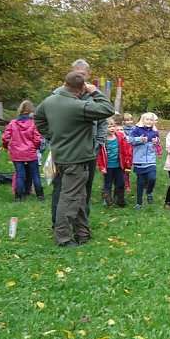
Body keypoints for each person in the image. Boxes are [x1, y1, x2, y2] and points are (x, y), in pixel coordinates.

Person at [35, 72, 115, 247]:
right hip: (77, 159)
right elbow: (108, 110)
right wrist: (95, 92)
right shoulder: (80, 106)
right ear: (81, 90)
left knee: (79, 195)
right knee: (70, 198)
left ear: (65, 83)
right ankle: (63, 238)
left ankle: (82, 233)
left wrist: (50, 136)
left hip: (60, 155)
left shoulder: (49, 101)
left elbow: (38, 118)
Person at [50, 60, 107, 227]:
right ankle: (58, 221)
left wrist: (99, 140)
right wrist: (52, 138)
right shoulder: (58, 94)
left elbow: (103, 118)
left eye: (83, 74)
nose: (80, 77)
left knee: (85, 187)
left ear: (88, 75)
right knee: (62, 186)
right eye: (77, 74)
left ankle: (81, 223)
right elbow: (45, 118)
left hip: (89, 148)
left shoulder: (93, 95)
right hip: (66, 148)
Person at [3, 100, 44, 201]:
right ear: (31, 110)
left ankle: (18, 197)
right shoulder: (33, 123)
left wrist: (5, 146)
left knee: (20, 176)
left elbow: (5, 137)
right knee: (35, 175)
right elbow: (38, 138)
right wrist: (36, 147)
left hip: (17, 153)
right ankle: (40, 196)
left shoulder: (13, 123)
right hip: (30, 152)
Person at [127, 112, 161, 210]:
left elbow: (158, 140)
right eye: (147, 119)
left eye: (151, 120)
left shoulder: (154, 131)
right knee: (140, 182)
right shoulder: (136, 129)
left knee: (152, 178)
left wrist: (157, 141)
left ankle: (149, 192)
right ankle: (139, 203)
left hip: (151, 159)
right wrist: (140, 139)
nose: (149, 121)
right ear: (142, 120)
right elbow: (129, 140)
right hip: (139, 159)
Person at [97, 115, 132, 208]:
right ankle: (107, 199)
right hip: (107, 166)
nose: (112, 128)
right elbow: (99, 155)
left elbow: (125, 150)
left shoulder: (120, 137)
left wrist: (127, 162)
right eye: (109, 127)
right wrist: (101, 167)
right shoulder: (102, 140)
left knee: (120, 183)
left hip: (119, 165)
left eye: (113, 126)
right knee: (108, 183)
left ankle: (120, 201)